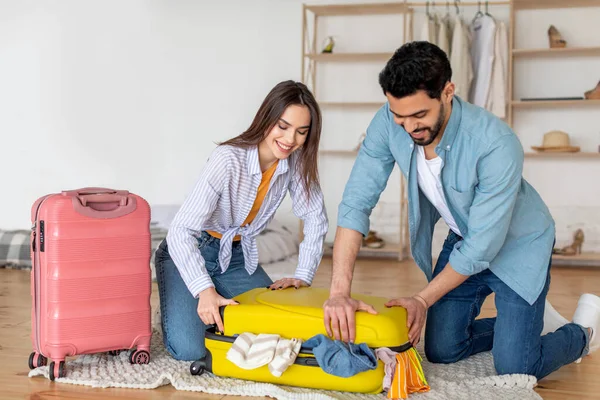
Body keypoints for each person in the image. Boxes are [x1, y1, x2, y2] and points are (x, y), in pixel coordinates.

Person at [322, 41, 598, 380]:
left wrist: (421, 300)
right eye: (400, 116)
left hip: (519, 244)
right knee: (441, 349)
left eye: (420, 115)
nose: (409, 127)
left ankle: (582, 333)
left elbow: (483, 246)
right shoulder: (387, 124)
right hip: (465, 237)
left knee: (516, 368)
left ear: (448, 92)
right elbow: (356, 203)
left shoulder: (496, 143)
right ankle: (528, 327)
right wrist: (338, 294)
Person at [156, 80, 328, 361]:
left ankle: (214, 303)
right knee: (192, 350)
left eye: (301, 132)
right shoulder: (227, 159)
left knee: (276, 329)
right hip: (188, 251)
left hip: (235, 258)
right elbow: (181, 231)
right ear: (267, 119)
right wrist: (203, 289)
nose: (290, 139)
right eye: (283, 127)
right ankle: (183, 299)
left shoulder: (295, 163)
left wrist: (302, 275)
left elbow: (316, 219)